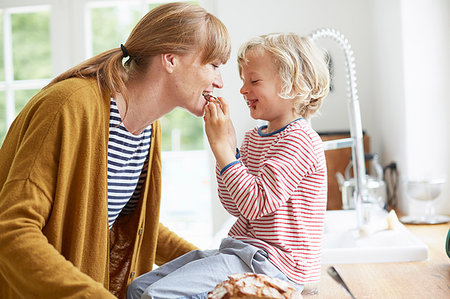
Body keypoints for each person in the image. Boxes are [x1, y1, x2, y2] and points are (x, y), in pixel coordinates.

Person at [0, 2, 231, 298]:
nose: (220, 81)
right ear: (170, 59)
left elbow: (133, 225)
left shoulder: (148, 128)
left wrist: (216, 268)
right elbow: (12, 228)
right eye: (213, 65)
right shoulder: (69, 106)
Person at [127, 32, 330, 299]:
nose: (243, 89)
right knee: (138, 288)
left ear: (292, 86)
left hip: (275, 266)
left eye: (254, 80)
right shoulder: (255, 137)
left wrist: (225, 154)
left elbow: (255, 204)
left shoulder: (299, 140)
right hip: (241, 252)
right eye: (243, 80)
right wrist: (228, 149)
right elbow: (235, 205)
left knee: (156, 295)